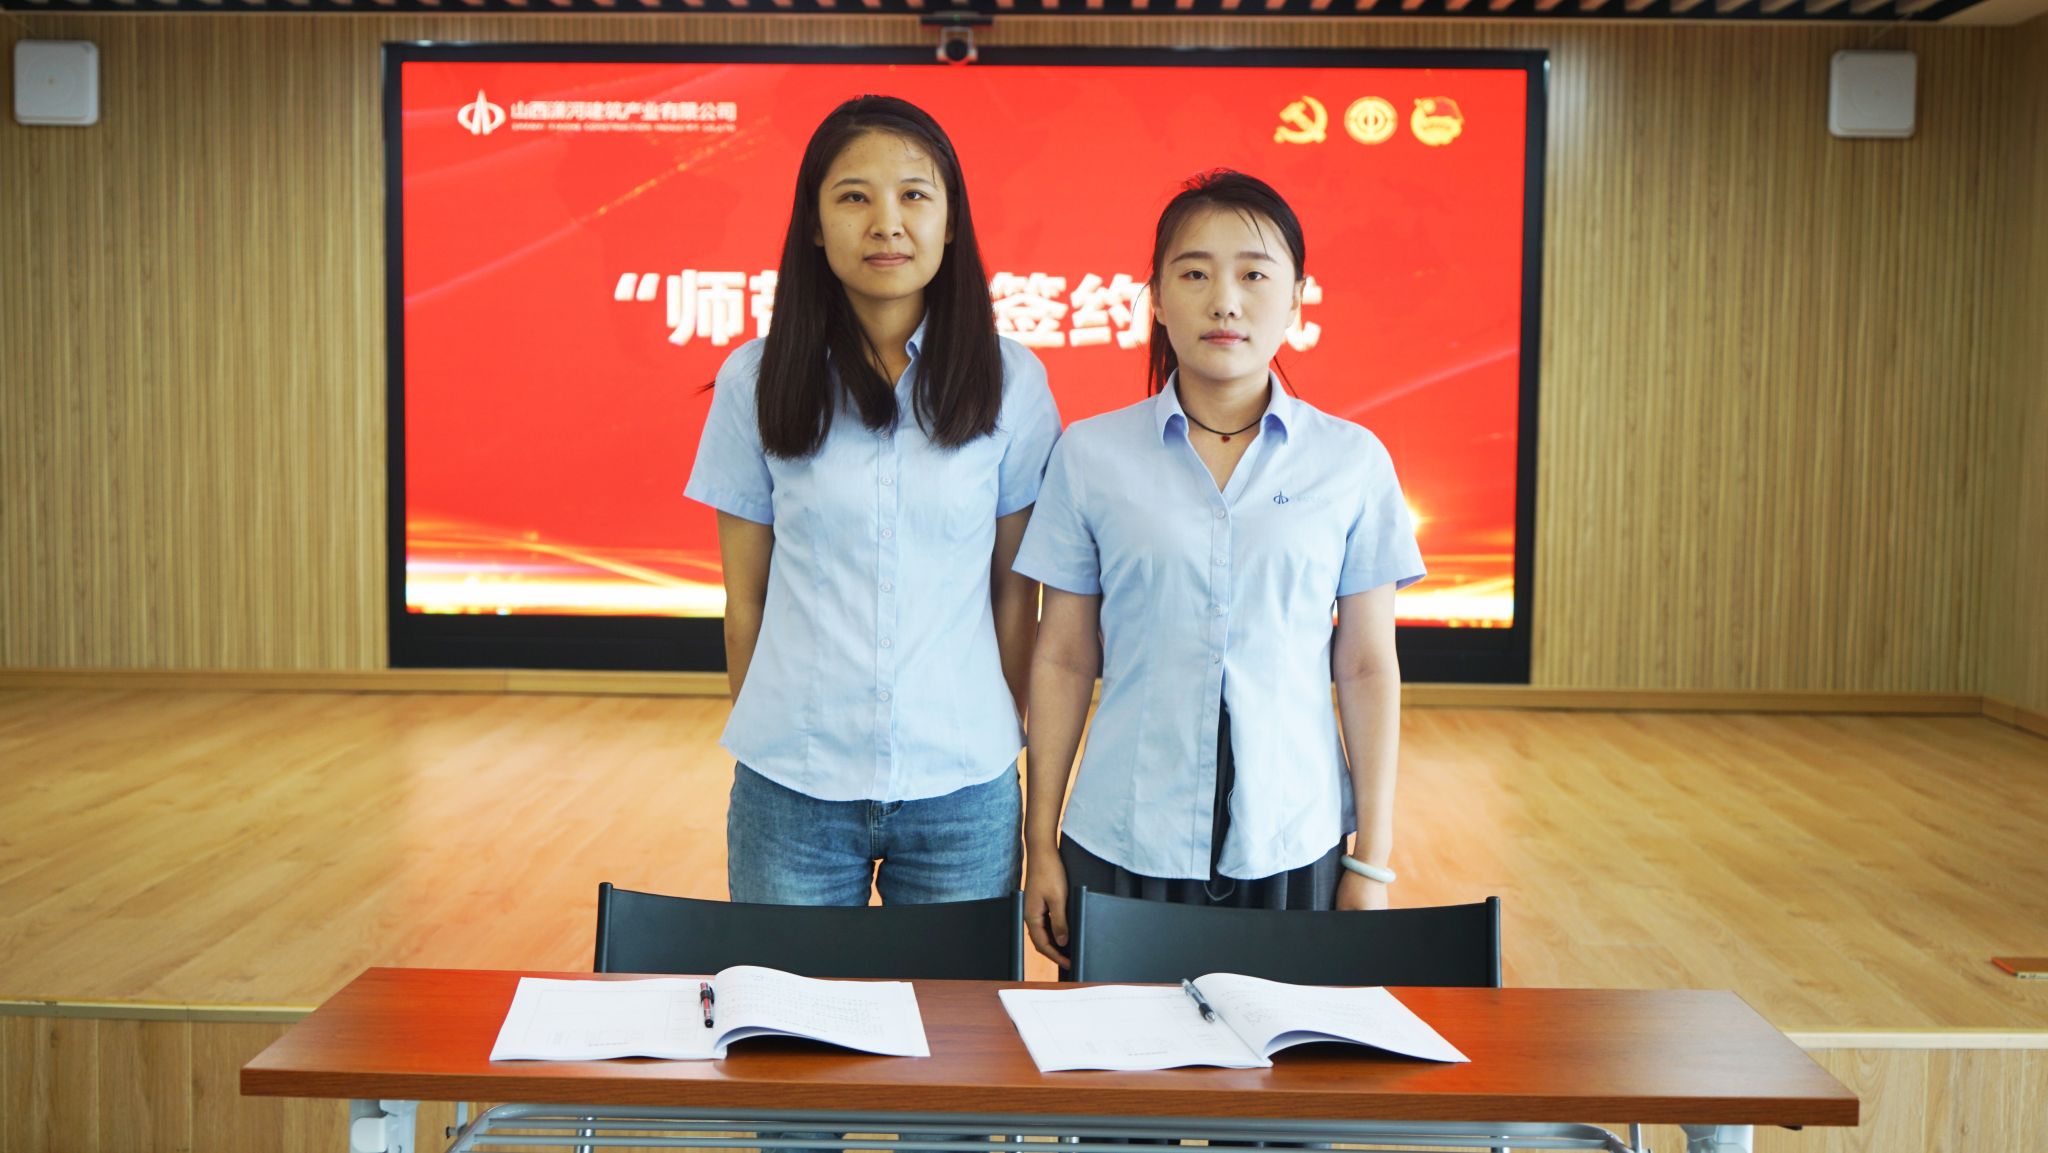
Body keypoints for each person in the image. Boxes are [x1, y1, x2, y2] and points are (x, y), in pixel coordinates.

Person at [1014, 170, 1423, 968]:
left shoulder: (1351, 461)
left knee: (1281, 1046)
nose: (1225, 301)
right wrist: (1042, 844)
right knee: (1115, 1043)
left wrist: (1370, 861)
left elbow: (1367, 666)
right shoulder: (1092, 455)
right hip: (1123, 831)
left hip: (1291, 836)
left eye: (1254, 275)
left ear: (1297, 300)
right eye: (1195, 273)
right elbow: (1062, 656)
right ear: (1157, 301)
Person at [686, 95, 1060, 906]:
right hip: (792, 788)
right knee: (787, 995)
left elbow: (1013, 590)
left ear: (950, 222)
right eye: (854, 196)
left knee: (957, 998)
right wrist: (779, 737)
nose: (887, 222)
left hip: (962, 787)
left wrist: (993, 729)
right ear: (815, 227)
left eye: (914, 195)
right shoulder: (755, 380)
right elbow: (745, 597)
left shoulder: (1012, 380)